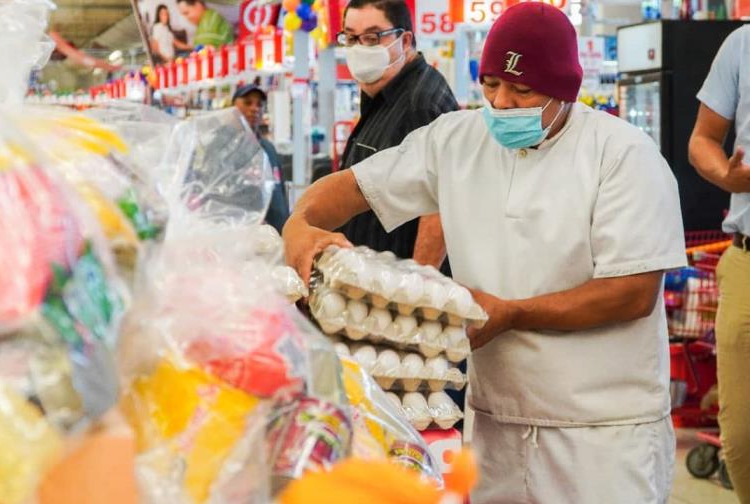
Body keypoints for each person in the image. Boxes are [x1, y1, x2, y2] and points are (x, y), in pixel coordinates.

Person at [283, 4, 686, 503]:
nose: (502, 103)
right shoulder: (457, 140)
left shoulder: (623, 156)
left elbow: (631, 293)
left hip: (602, 434)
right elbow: (351, 190)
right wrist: (299, 225)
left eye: (523, 91)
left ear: (566, 91)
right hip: (496, 426)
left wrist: (512, 313)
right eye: (492, 84)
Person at [335, 0, 457, 271]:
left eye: (372, 37)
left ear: (404, 41)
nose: (359, 48)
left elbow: (439, 207)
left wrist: (416, 286)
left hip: (397, 289)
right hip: (372, 277)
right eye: (351, 38)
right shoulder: (382, 95)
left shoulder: (420, 103)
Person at [689, 25, 750, 503]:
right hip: (746, 258)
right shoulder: (742, 44)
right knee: (743, 433)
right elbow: (702, 140)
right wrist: (726, 176)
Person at [233, 84, 290, 233]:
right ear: (233, 107)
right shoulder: (224, 148)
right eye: (247, 102)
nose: (255, 108)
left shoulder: (269, 149)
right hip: (242, 239)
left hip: (276, 238)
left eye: (259, 104)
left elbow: (281, 192)